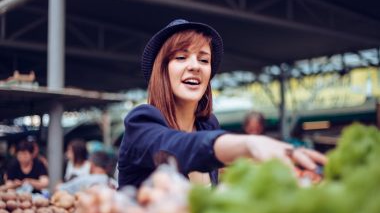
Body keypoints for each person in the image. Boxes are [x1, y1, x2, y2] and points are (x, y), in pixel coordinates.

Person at [117, 19, 326, 188]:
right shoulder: (141, 122)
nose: (195, 66)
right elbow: (178, 147)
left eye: (204, 60)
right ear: (162, 71)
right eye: (181, 57)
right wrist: (249, 143)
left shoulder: (208, 125)